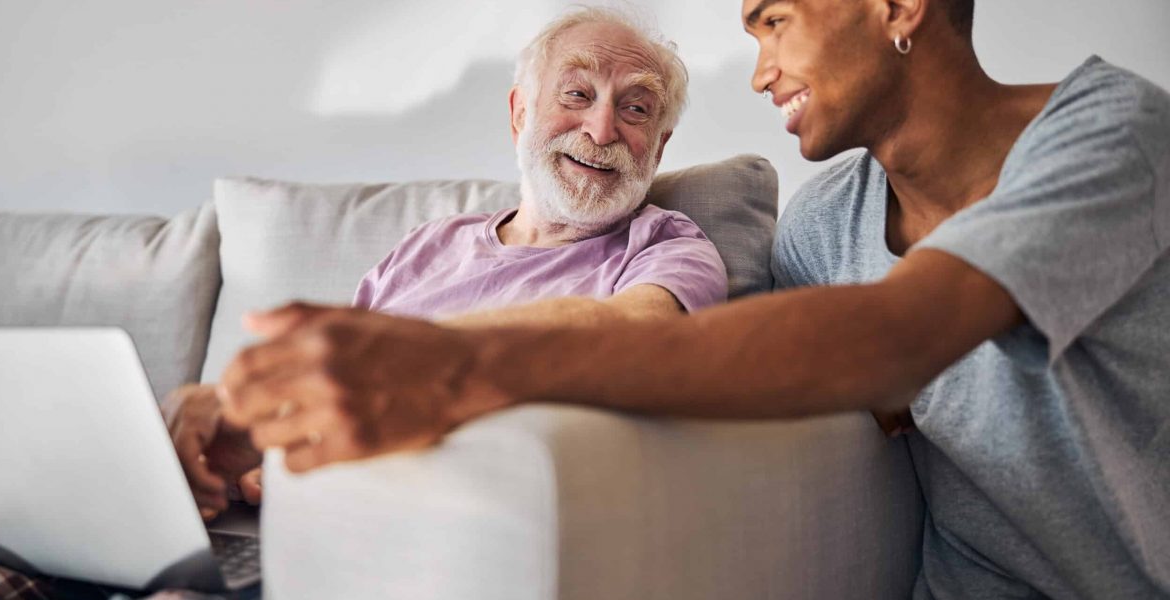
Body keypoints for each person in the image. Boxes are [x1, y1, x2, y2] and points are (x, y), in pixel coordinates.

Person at [217, 0, 1170, 597]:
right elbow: (815, 396)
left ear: (897, 6)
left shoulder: (1110, 131)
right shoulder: (824, 221)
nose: (758, 73)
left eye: (773, 19)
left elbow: (897, 337)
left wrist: (462, 361)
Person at [163, 7, 728, 520]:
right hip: (318, 519)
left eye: (635, 108)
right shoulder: (427, 246)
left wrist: (410, 358)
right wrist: (240, 422)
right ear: (520, 113)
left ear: (657, 148)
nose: (602, 130)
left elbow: (642, 335)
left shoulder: (666, 246)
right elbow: (335, 389)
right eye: (577, 95)